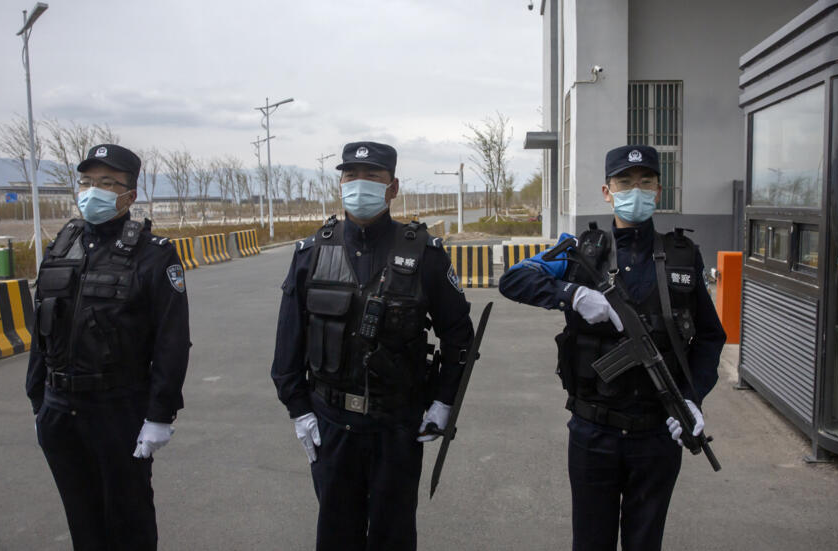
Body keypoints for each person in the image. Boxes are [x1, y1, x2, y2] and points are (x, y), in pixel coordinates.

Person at [499, 145, 726, 551]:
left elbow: (710, 336)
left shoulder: (682, 255)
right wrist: (572, 294)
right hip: (593, 430)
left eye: (645, 182)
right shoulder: (580, 251)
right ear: (607, 191)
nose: (634, 190)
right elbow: (514, 279)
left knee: (644, 542)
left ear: (659, 190)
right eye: (624, 182)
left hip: (657, 432)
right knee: (590, 542)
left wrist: (693, 400)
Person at [271, 141, 475, 551]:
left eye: (373, 177)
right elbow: (288, 342)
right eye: (351, 176)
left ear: (393, 187)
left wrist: (443, 402)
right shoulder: (311, 253)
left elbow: (459, 337)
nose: (359, 185)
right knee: (336, 535)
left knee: (393, 535)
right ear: (340, 183)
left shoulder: (425, 254)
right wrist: (298, 410)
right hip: (331, 423)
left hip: (397, 426)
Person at [26, 144, 190, 551]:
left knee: (128, 520)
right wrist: (38, 402)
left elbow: (171, 342)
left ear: (129, 195)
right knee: (83, 521)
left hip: (118, 411)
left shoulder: (154, 255)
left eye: (105, 183)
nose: (91, 190)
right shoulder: (62, 245)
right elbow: (41, 329)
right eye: (85, 181)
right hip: (60, 409)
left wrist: (159, 415)